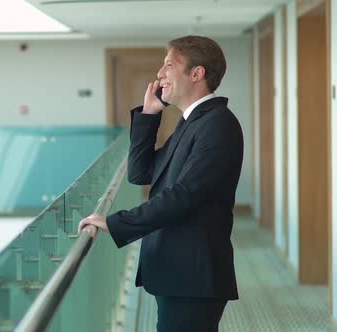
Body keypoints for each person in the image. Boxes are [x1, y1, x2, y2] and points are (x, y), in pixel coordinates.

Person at [78, 35, 243, 332]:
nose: (160, 74)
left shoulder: (218, 124)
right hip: (178, 272)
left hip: (193, 274)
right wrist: (149, 115)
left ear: (197, 73)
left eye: (169, 65)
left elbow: (184, 195)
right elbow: (141, 173)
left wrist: (117, 222)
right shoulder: (193, 122)